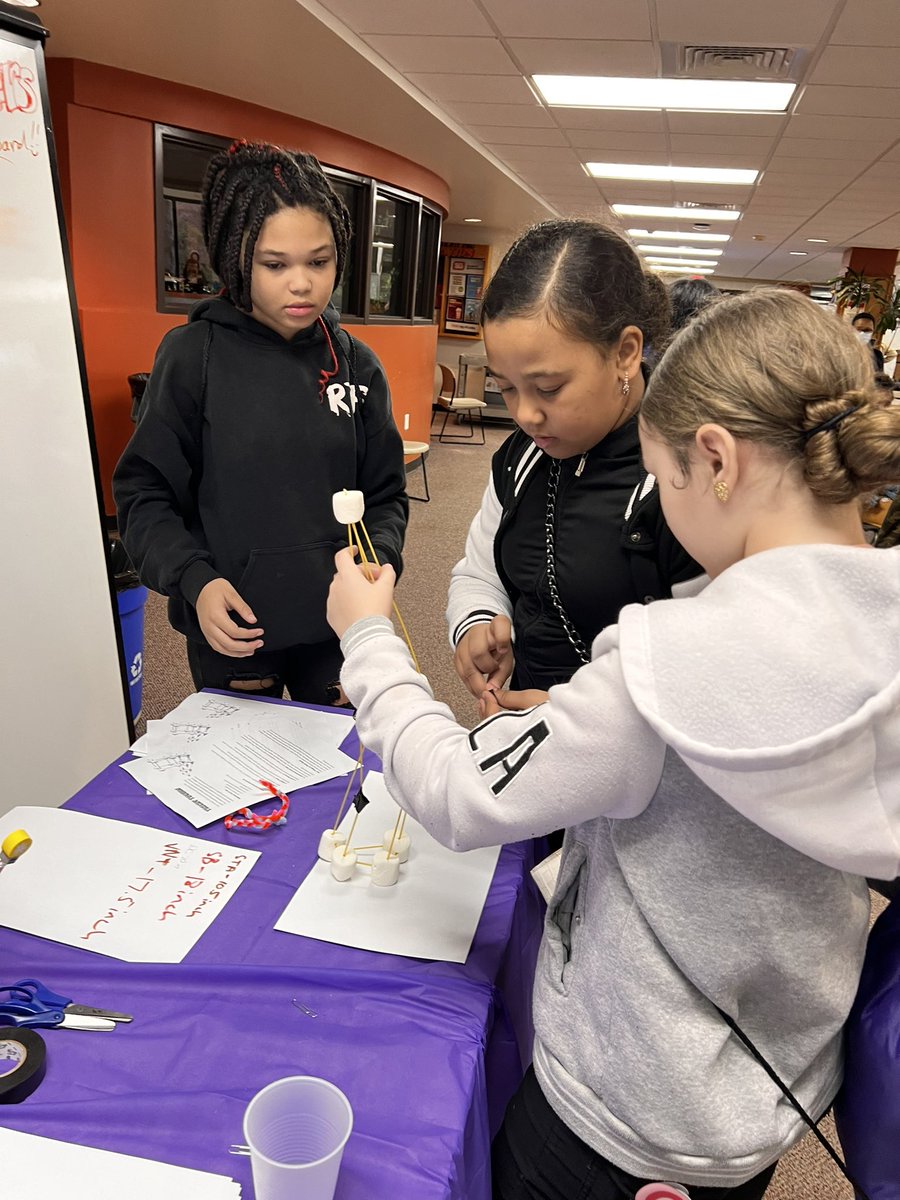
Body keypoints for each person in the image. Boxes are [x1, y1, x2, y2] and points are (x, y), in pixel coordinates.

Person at [325, 286, 900, 1198]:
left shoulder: (663, 667)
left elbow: (454, 792)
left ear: (713, 460)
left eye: (663, 478)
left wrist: (367, 636)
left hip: (619, 1111)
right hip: (767, 1104)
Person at [114, 140, 408, 704]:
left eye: (319, 262)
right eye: (275, 265)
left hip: (338, 630)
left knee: (342, 777)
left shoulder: (356, 364)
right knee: (248, 783)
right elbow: (144, 494)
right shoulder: (191, 357)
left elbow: (387, 496)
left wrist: (382, 560)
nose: (301, 283)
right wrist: (194, 583)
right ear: (236, 258)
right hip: (236, 630)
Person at [447, 220, 700, 703]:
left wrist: (573, 718)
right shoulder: (521, 457)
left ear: (626, 352)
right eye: (505, 386)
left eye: (549, 388)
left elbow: (713, 673)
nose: (525, 414)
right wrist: (475, 622)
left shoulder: (689, 477)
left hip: (633, 757)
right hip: (524, 731)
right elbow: (480, 571)